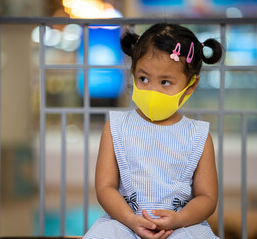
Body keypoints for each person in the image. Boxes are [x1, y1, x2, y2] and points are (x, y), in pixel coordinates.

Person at [83, 23, 223, 239]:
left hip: (180, 226)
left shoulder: (199, 136)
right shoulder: (116, 127)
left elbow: (207, 197)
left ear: (190, 86)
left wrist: (179, 220)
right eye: (143, 79)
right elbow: (105, 187)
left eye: (165, 82)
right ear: (133, 74)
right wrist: (131, 219)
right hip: (124, 223)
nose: (152, 90)